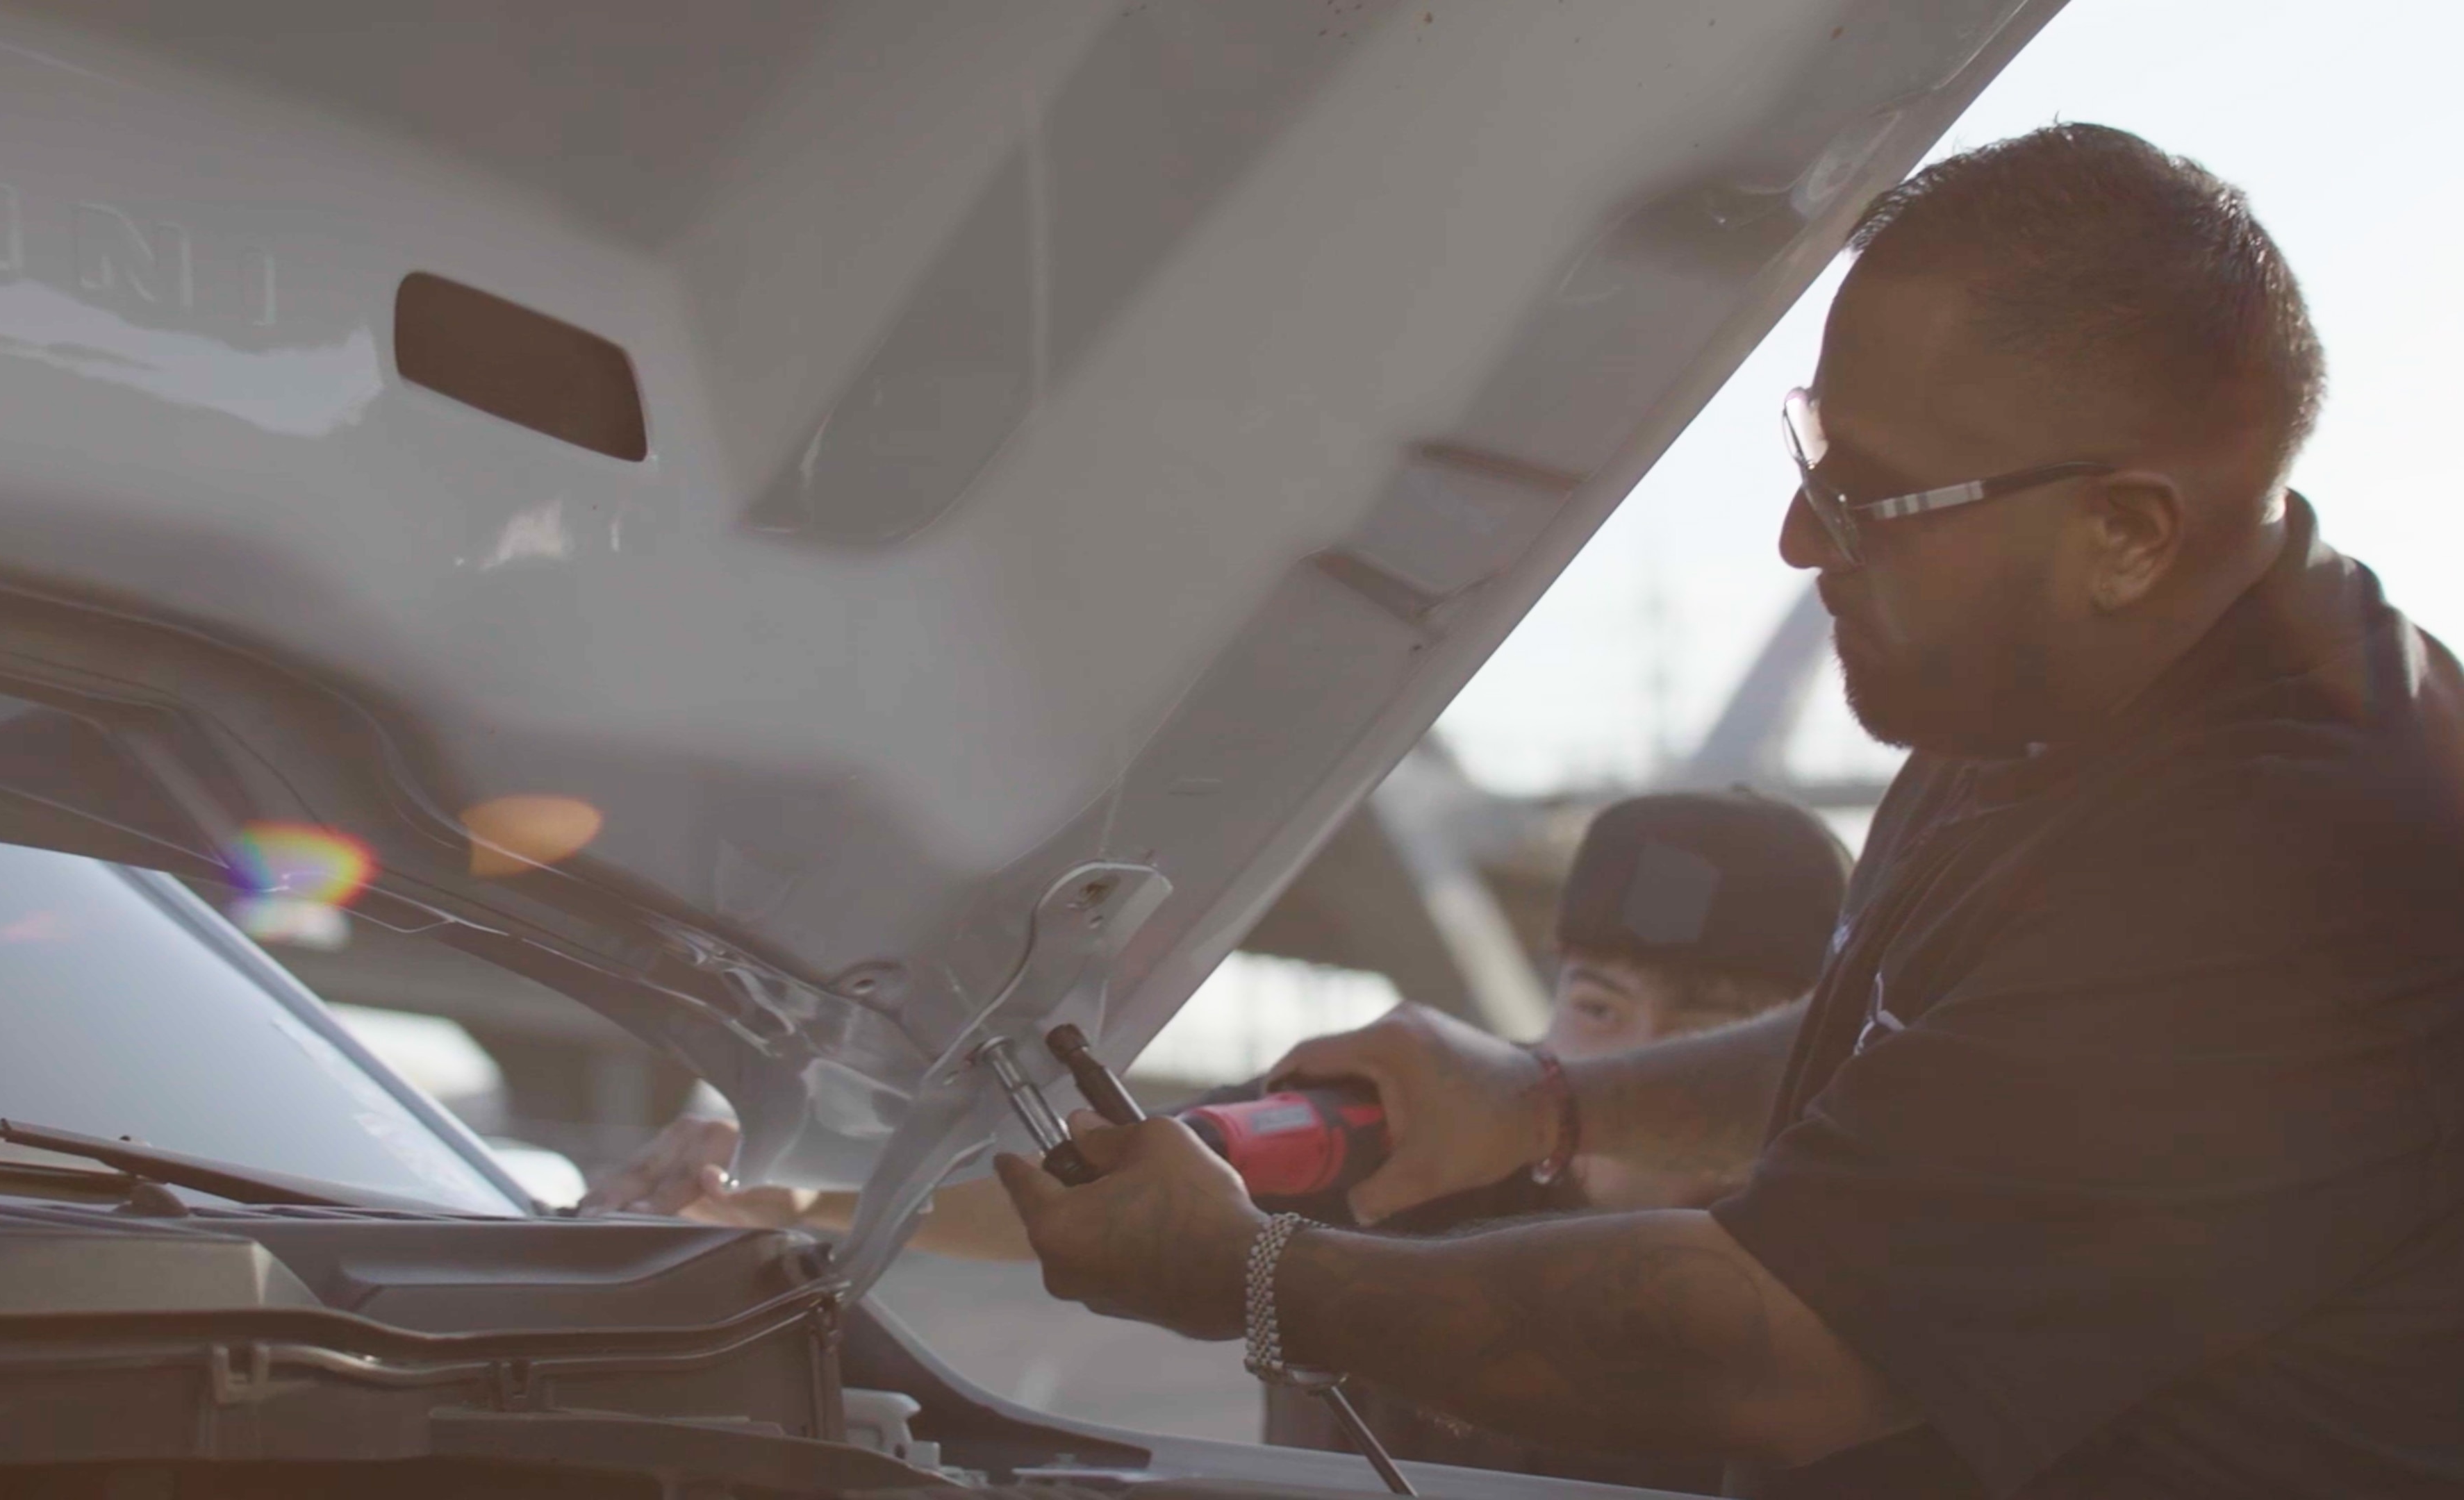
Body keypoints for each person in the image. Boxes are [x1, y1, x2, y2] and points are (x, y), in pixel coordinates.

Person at [991, 124, 2464, 1500]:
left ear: (2127, 534)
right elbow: (1936, 1066)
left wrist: (1250, 1276)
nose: (1800, 537)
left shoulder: (2310, 852)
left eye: (1874, 499)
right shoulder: (2056, 680)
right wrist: (1549, 1099)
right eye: (1814, 457)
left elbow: (1773, 1353)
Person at [581, 791, 1854, 1488]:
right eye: (1597, 1004)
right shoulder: (1402, 1139)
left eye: (1711, 1027)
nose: (1629, 1056)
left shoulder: (1840, 1261)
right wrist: (781, 1196)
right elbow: (1098, 1180)